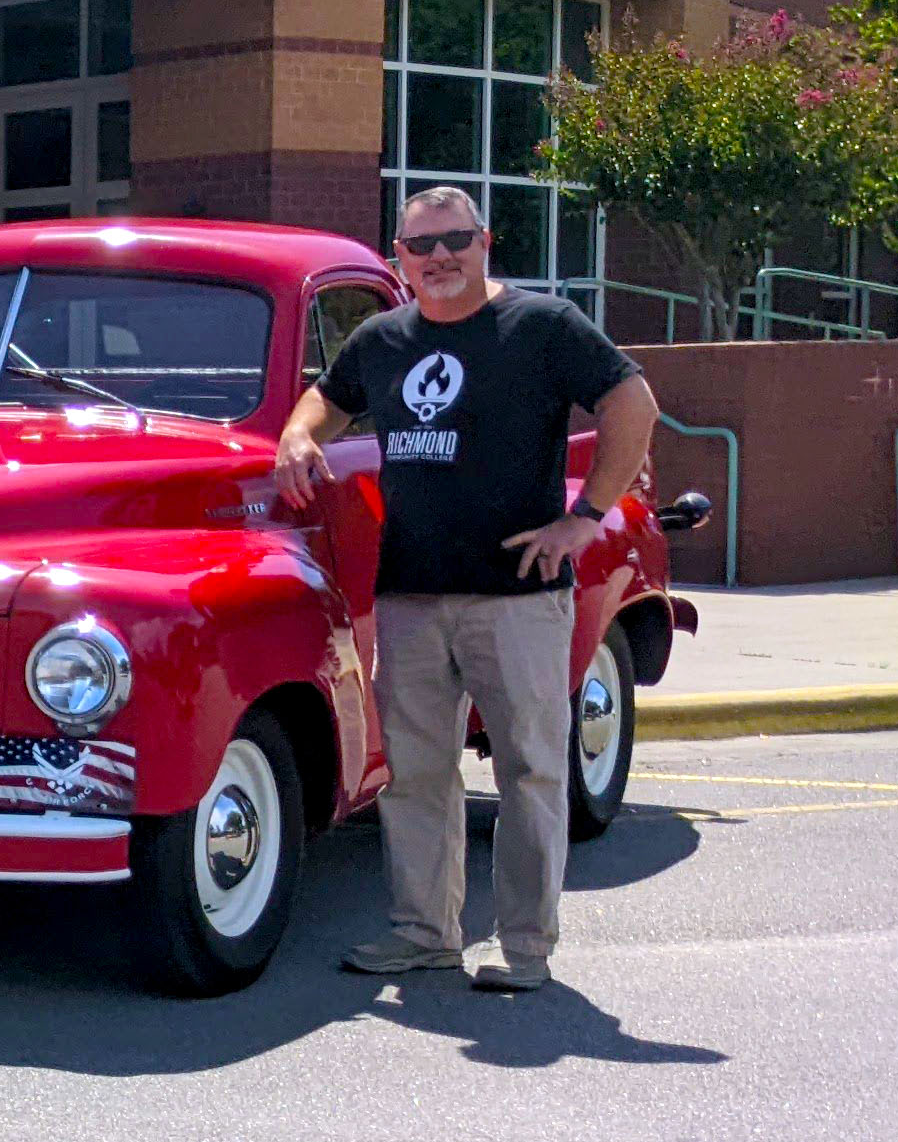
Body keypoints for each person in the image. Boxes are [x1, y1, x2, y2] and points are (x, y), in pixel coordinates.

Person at [274, 186, 657, 994]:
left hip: (518, 595)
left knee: (529, 772)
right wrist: (297, 436)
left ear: (486, 241)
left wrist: (585, 517)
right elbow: (328, 398)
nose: (439, 257)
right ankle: (422, 934)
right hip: (411, 594)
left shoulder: (543, 327)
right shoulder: (382, 339)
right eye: (421, 246)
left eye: (455, 240)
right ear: (399, 259)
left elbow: (633, 401)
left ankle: (523, 948)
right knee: (413, 776)